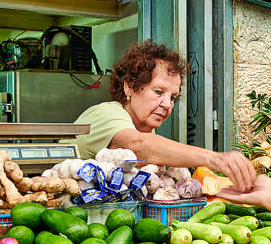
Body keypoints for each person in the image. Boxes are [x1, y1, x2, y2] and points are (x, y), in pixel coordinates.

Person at [70, 39, 256, 190]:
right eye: (159, 92)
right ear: (129, 86)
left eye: (173, 97)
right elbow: (138, 147)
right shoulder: (107, 114)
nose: (167, 104)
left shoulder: (147, 132)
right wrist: (214, 159)